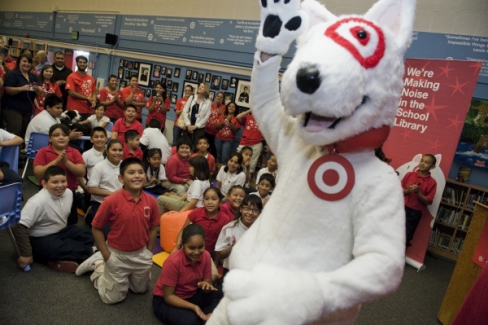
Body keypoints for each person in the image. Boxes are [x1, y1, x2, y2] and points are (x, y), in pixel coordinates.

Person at [75, 158, 159, 305]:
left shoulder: (151, 201)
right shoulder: (111, 201)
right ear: (121, 178)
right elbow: (96, 228)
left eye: (140, 172)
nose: (137, 176)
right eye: (131, 172)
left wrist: (149, 252)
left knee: (140, 290)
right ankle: (99, 265)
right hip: (117, 254)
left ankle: (118, 273)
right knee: (112, 298)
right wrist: (107, 257)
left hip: (140, 253)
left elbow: (153, 228)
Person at [11, 166, 95, 273]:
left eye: (63, 181)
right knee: (62, 248)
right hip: (40, 237)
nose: (60, 186)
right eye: (55, 182)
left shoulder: (69, 193)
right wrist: (26, 254)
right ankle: (92, 254)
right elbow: (18, 226)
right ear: (44, 184)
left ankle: (67, 257)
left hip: (61, 231)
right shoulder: (37, 202)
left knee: (90, 236)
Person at [152, 224, 223, 325]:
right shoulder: (173, 262)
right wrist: (193, 307)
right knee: (190, 321)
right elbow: (169, 297)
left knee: (222, 292)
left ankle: (205, 316)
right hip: (165, 301)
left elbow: (207, 283)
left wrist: (207, 286)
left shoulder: (206, 256)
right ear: (183, 245)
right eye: (191, 248)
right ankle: (203, 316)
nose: (197, 252)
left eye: (200, 247)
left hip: (191, 294)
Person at [33, 124, 85, 226]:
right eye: (56, 135)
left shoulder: (74, 152)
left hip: (69, 193)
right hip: (47, 193)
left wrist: (66, 162)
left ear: (68, 137)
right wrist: (56, 161)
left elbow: (81, 172)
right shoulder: (42, 152)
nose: (61, 137)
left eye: (65, 135)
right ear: (50, 138)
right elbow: (38, 174)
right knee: (47, 222)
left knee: (70, 222)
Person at [215, 195, 262, 275]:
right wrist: (231, 248)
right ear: (241, 209)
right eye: (247, 209)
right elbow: (220, 255)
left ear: (259, 213)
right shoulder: (229, 228)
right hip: (231, 271)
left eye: (255, 210)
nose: (250, 213)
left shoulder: (263, 230)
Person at [84, 140, 124, 226]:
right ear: (107, 151)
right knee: (108, 233)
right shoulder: (99, 167)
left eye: (120, 150)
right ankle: (90, 213)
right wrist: (112, 194)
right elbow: (91, 189)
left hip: (122, 203)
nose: (118, 153)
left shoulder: (125, 165)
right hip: (101, 204)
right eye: (114, 150)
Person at [2, 53, 42, 138]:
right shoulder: (12, 74)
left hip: (27, 109)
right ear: (19, 62)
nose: (27, 64)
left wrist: (37, 89)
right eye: (24, 61)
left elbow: (40, 91)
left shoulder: (33, 76)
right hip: (12, 108)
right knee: (14, 133)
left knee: (24, 133)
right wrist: (21, 89)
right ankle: (11, 150)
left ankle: (20, 150)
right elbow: (7, 90)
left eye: (29, 62)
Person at [402, 154, 437, 247]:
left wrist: (418, 193)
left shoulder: (432, 182)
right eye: (422, 161)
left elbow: (428, 201)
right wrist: (407, 190)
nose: (423, 164)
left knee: (405, 237)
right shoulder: (409, 175)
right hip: (400, 208)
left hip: (414, 213)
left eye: (427, 162)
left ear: (432, 166)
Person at [182, 82, 212, 147]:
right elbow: (185, 111)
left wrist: (196, 126)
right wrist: (188, 124)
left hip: (199, 129)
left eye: (202, 87)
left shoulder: (208, 102)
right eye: (199, 86)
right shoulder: (192, 97)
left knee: (196, 147)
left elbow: (207, 117)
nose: (200, 87)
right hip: (188, 126)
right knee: (185, 145)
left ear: (206, 89)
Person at [236, 109, 264, 175]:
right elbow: (238, 117)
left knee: (252, 163)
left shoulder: (264, 119)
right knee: (238, 158)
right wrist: (250, 110)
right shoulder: (247, 117)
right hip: (244, 142)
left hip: (257, 143)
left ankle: (247, 181)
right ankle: (236, 174)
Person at [205, 92, 225, 157]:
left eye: (221, 97)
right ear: (215, 97)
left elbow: (223, 115)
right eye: (218, 96)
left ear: (223, 99)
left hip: (216, 133)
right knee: (205, 148)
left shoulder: (224, 107)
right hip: (206, 131)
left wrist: (218, 106)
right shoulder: (211, 104)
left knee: (213, 151)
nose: (219, 98)